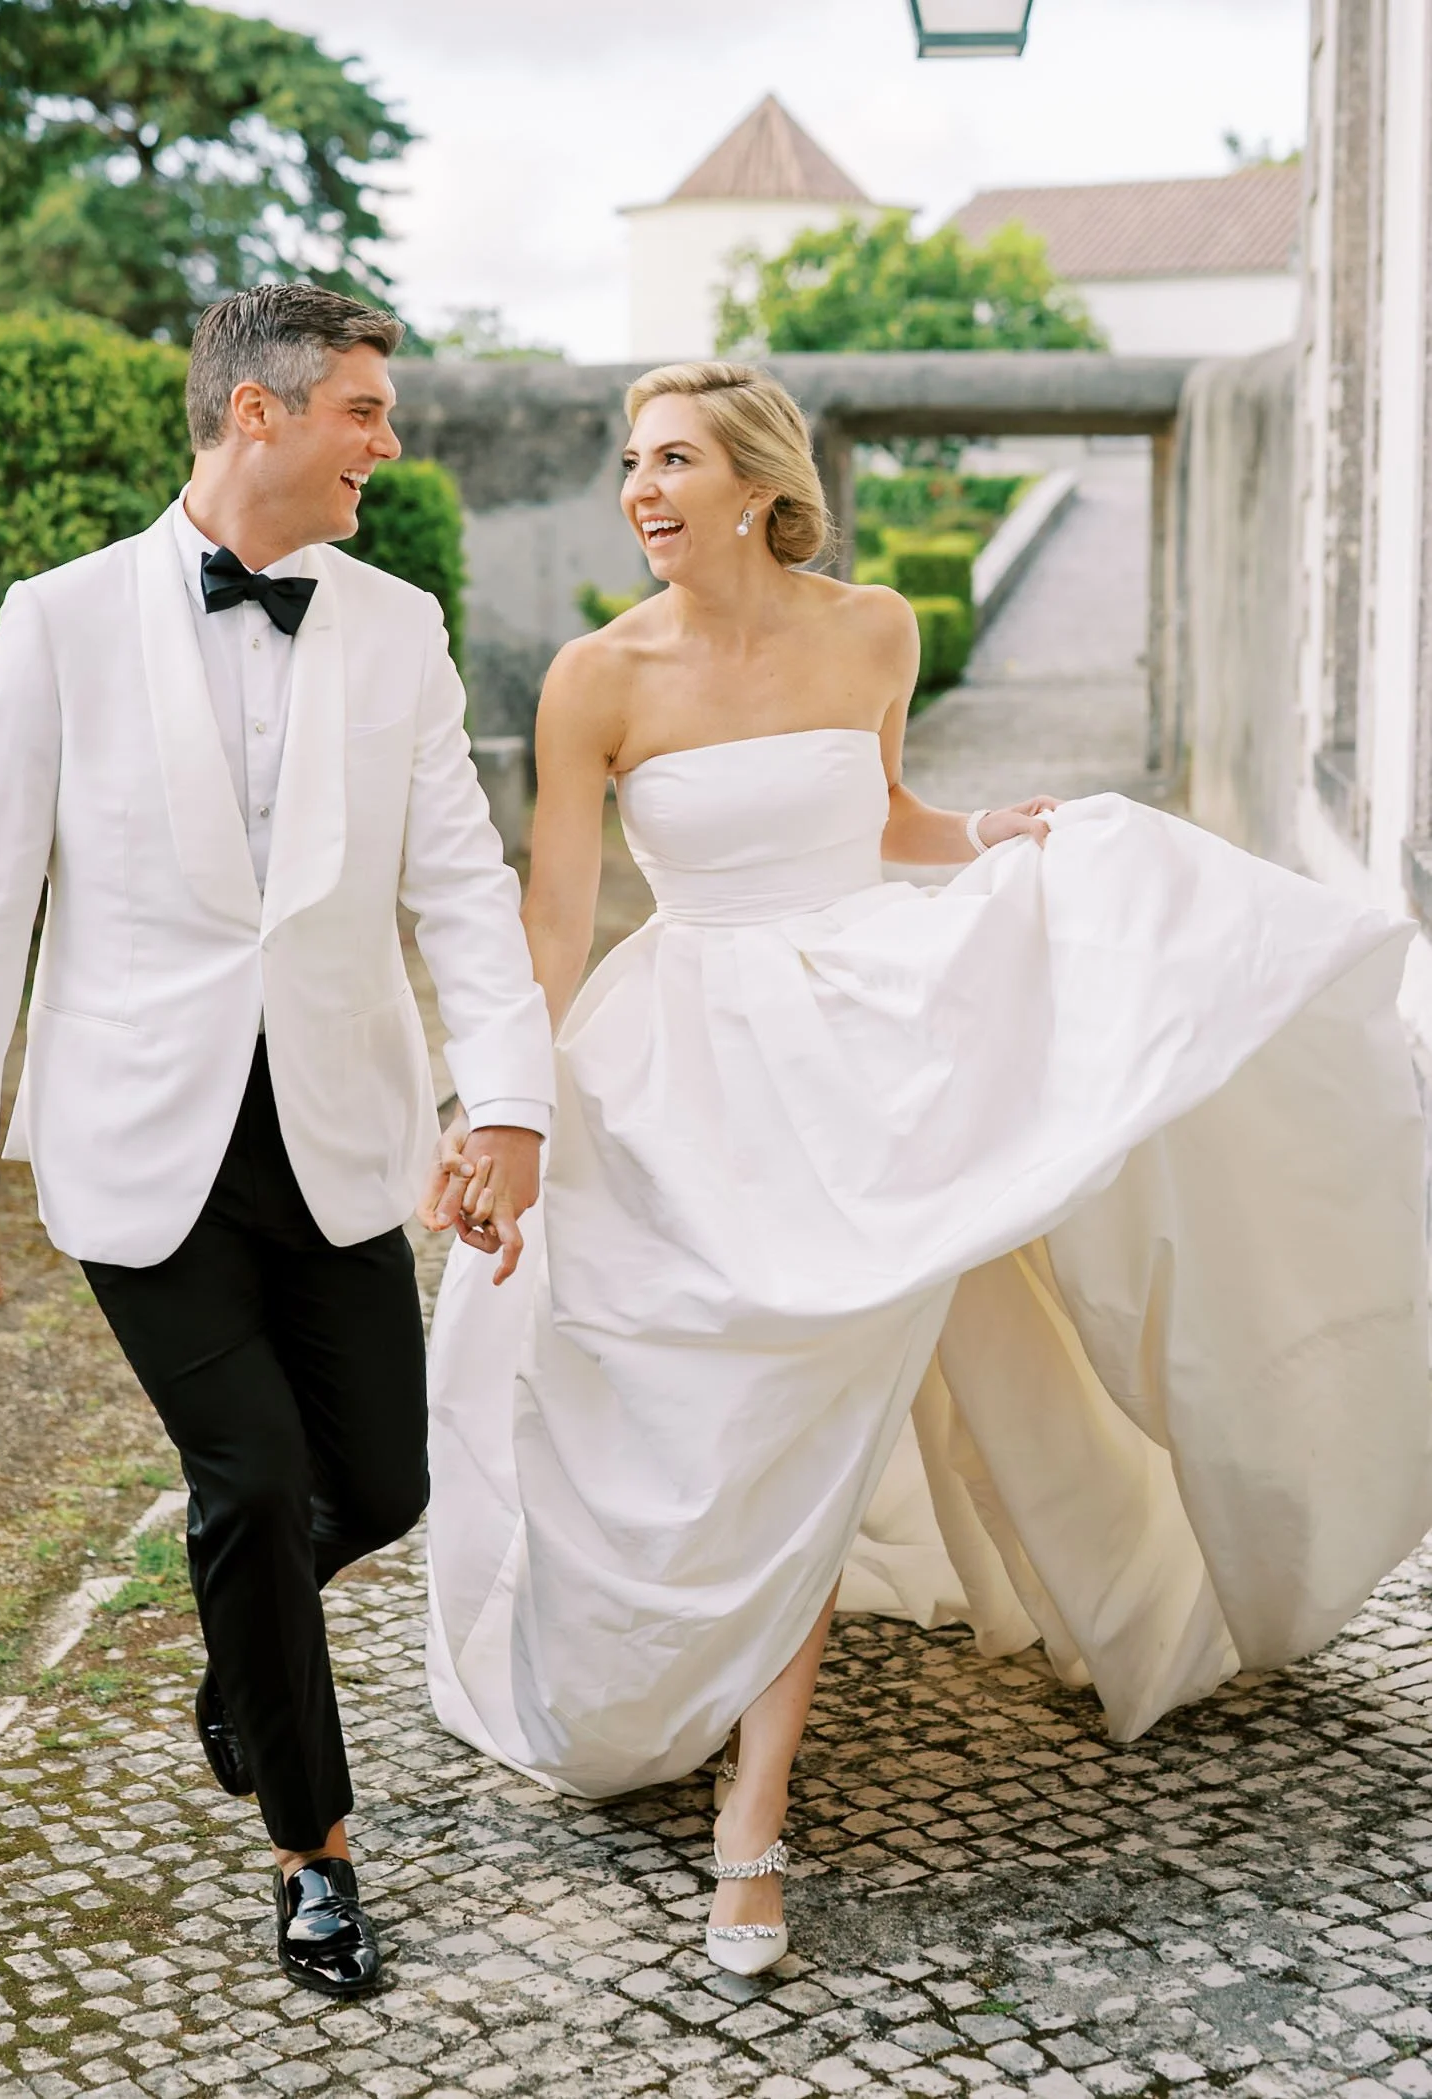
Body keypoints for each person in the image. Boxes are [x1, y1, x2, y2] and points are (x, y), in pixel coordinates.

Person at [421, 360, 1432, 1978]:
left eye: (672, 458)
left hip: (870, 1043)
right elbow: (555, 919)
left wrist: (983, 839)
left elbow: (881, 809)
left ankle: (754, 1827)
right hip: (686, 1060)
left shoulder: (874, 628)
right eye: (630, 462)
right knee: (712, 1402)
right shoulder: (595, 679)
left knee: (826, 1374)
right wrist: (497, 1107)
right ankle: (686, 1669)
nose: (641, 490)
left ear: (761, 479)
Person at [0, 284, 554, 1998]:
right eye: (361, 410)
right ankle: (315, 1857)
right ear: (255, 415)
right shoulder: (56, 622)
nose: (387, 443)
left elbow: (463, 889)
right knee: (250, 1479)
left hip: (335, 1134)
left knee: (381, 1482)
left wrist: (510, 1102)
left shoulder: (398, 628)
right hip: (134, 1144)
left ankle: (242, 1665)